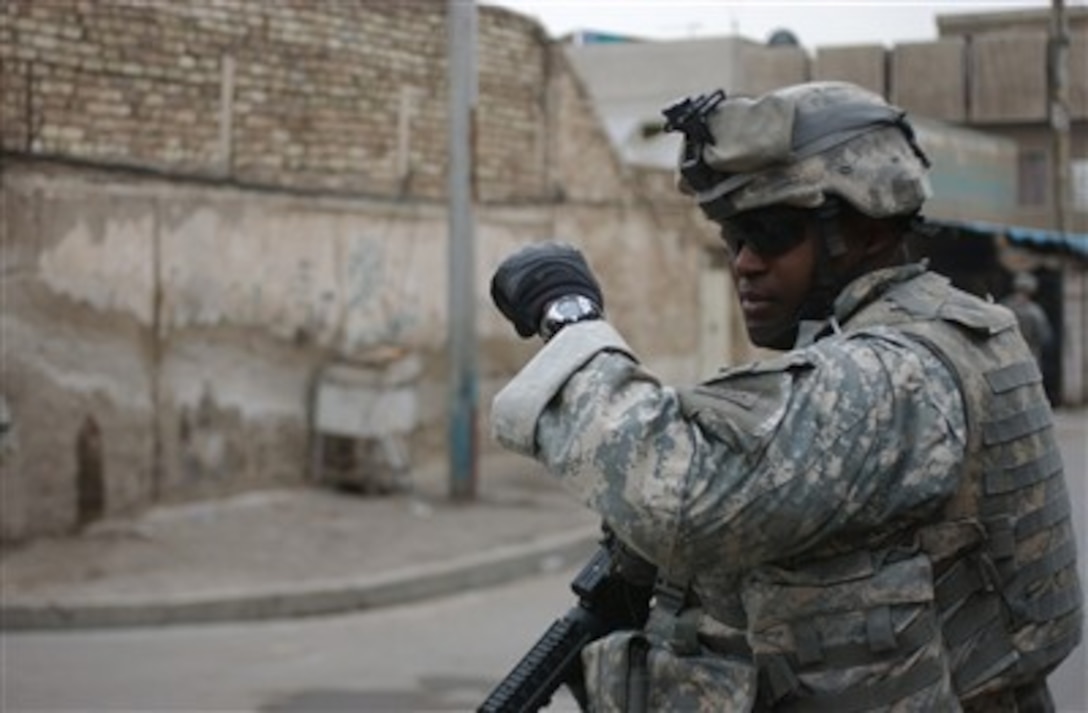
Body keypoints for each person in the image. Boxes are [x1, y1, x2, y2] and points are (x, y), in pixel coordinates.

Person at [488, 81, 1082, 711]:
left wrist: (571, 319)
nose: (744, 262)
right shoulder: (945, 330)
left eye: (771, 232)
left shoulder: (899, 373)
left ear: (869, 229)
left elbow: (682, 494)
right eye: (733, 236)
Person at [1001, 271, 1054, 368]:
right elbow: (1045, 337)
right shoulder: (1035, 311)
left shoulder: (1004, 306)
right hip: (1029, 354)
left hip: (1006, 355)